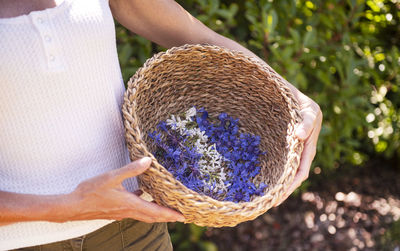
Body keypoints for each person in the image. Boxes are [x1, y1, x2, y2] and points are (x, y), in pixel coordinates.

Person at [0, 0, 323, 250]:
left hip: (132, 226)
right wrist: (65, 207)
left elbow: (197, 35)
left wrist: (295, 100)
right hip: (20, 241)